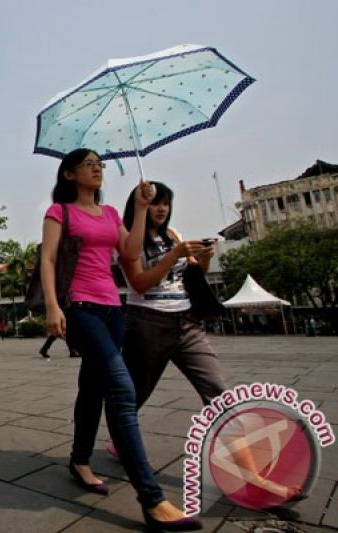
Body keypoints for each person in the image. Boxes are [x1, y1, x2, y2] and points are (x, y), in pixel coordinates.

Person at [116, 182, 305, 503]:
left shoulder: (172, 234)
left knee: (219, 393)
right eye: (154, 202)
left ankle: (253, 479)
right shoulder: (128, 236)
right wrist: (173, 255)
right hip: (148, 324)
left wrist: (202, 258)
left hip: (186, 322)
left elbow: (192, 275)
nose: (161, 208)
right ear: (139, 204)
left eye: (165, 202)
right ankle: (123, 443)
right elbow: (139, 282)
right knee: (133, 397)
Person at [41, 148, 200, 530]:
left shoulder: (111, 213)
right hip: (80, 307)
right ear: (69, 175)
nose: (97, 170)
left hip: (114, 309)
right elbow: (47, 259)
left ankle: (80, 460)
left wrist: (142, 207)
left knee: (92, 386)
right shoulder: (59, 213)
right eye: (89, 165)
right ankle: (152, 499)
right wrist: (52, 307)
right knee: (122, 389)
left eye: (101, 165)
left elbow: (130, 253)